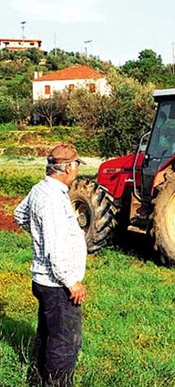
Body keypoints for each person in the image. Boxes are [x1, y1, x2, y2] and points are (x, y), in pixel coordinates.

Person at [14, 144, 88, 387]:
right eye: (76, 164)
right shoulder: (53, 199)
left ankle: (37, 379)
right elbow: (56, 247)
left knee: (47, 335)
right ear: (66, 167)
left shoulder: (40, 189)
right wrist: (71, 282)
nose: (77, 168)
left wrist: (39, 233)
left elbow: (19, 214)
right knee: (65, 344)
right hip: (58, 284)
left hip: (43, 280)